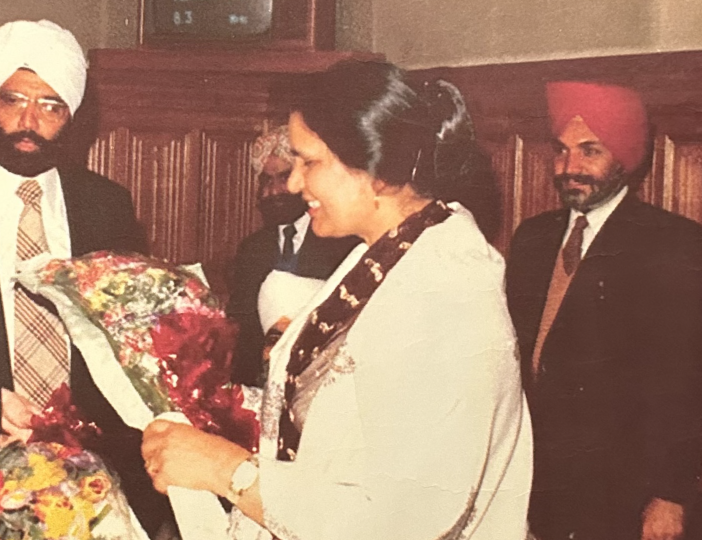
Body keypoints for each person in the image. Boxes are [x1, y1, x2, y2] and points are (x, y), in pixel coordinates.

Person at [141, 59, 532, 540]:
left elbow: (401, 519)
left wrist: (227, 470)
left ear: (379, 171)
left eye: (310, 162)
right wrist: (215, 407)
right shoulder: (391, 248)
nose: (292, 183)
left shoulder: (445, 293)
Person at [0, 19, 168, 536]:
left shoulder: (106, 205)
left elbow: (129, 341)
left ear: (73, 116)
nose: (28, 121)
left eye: (50, 106)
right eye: (13, 100)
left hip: (88, 471)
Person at [505, 81, 702, 540]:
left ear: (625, 157)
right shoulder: (532, 239)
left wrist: (671, 495)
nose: (569, 167)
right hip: (540, 483)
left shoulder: (673, 245)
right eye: (561, 150)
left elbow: (689, 382)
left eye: (589, 151)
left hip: (626, 494)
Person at [228, 126, 358, 387]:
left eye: (283, 178)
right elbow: (241, 329)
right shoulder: (252, 249)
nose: (273, 192)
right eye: (266, 181)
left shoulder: (343, 242)